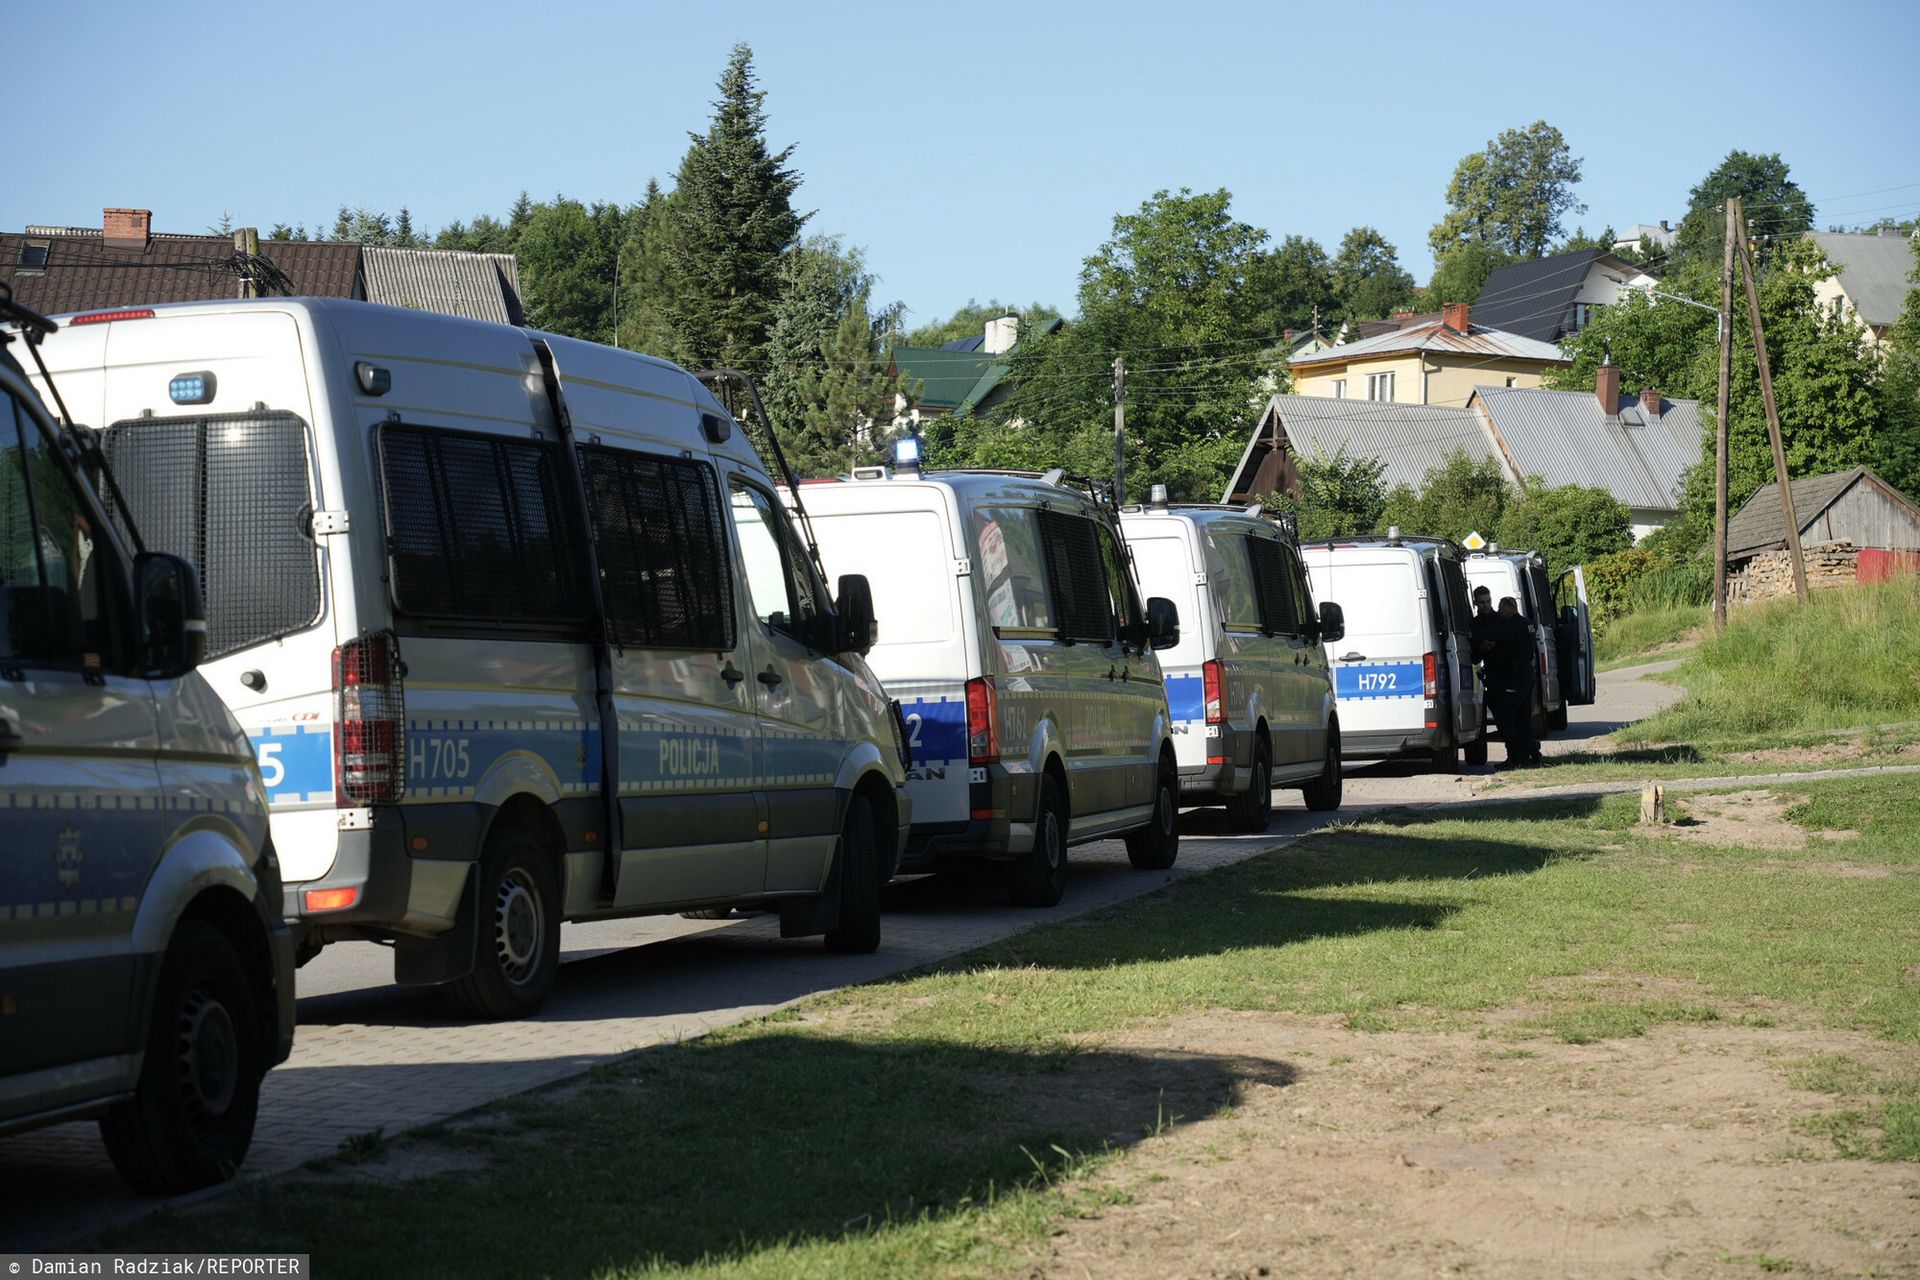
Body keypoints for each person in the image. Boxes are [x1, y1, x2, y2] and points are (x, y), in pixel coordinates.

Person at [1488, 596, 1543, 766]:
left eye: (1501, 608)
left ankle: (1516, 755)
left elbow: (1503, 648)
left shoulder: (1513, 626)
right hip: (1526, 675)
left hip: (1515, 677)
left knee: (1508, 717)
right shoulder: (1526, 624)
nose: (1499, 611)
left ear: (1511, 608)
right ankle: (1531, 752)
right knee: (1523, 717)